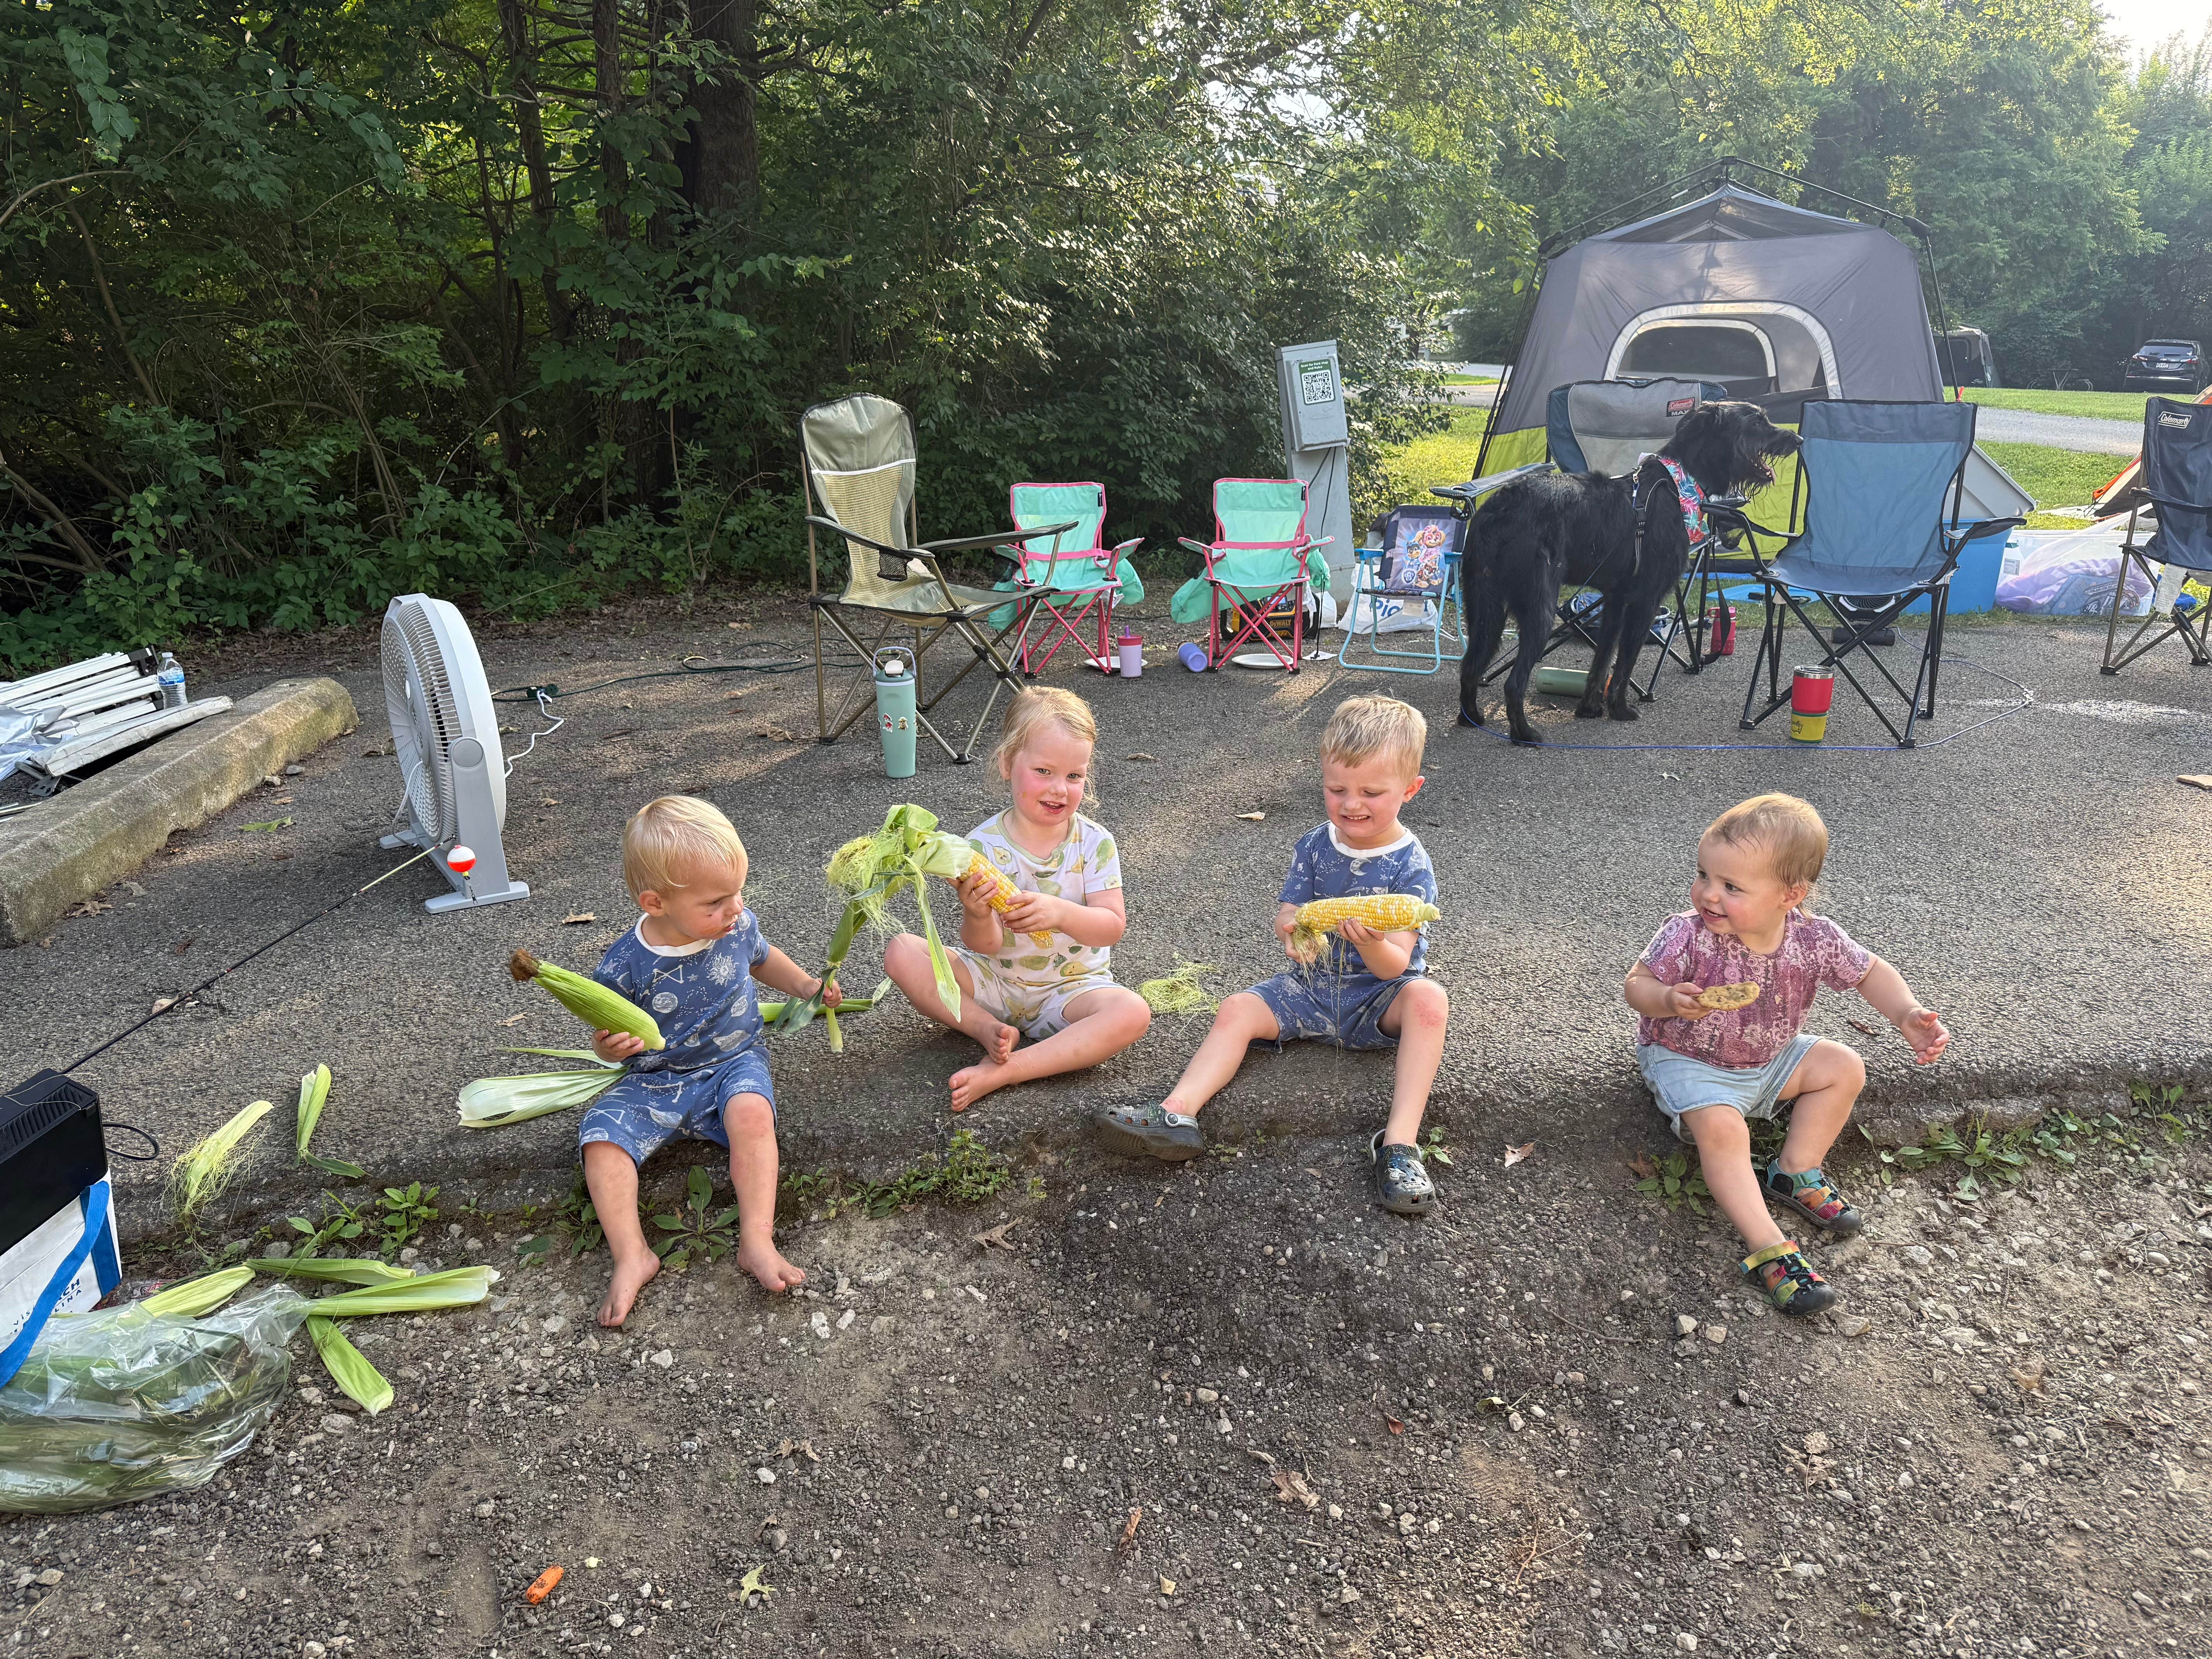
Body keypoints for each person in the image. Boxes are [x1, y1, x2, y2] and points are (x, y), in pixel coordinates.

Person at [1097, 694, 1450, 1215]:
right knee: (1237, 1008)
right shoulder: (1314, 846)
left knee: (1430, 1001)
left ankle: (1399, 1145)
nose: (1352, 804)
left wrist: (1372, 941)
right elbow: (1289, 911)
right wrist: (1292, 930)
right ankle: (1177, 1113)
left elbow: (1397, 963)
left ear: (1411, 789)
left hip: (1380, 997)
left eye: (1372, 792)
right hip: (1309, 990)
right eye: (1337, 790)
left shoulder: (1410, 865)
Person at [1623, 793, 1949, 1314]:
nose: (1709, 894)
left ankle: (1795, 1170)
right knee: (1725, 1130)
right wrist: (1666, 1000)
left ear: (1789, 896)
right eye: (1704, 875)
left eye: (1732, 887)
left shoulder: (1813, 939)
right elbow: (1636, 984)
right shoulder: (1687, 933)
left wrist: (1907, 1015)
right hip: (1688, 1060)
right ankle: (1768, 1246)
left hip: (1771, 1057)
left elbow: (1869, 972)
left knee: (1843, 1066)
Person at [580, 795, 838, 1326]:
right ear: (655, 903)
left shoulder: (735, 926)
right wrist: (610, 1048)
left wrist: (808, 987)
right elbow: (603, 1036)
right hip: (656, 1081)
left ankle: (757, 1240)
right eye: (716, 902)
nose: (736, 908)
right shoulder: (626, 964)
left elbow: (764, 959)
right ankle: (633, 1255)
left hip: (732, 1063)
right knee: (601, 1141)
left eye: (738, 892)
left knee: (753, 1116)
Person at [883, 686, 1150, 1112]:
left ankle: (1011, 1068)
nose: (1060, 789)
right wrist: (976, 912)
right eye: (1044, 771)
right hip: (996, 981)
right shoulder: (979, 847)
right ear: (1008, 763)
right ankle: (985, 1029)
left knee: (1132, 1012)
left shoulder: (1095, 843)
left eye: (1074, 776)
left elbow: (1111, 926)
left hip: (1070, 989)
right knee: (901, 952)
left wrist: (1060, 913)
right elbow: (984, 945)